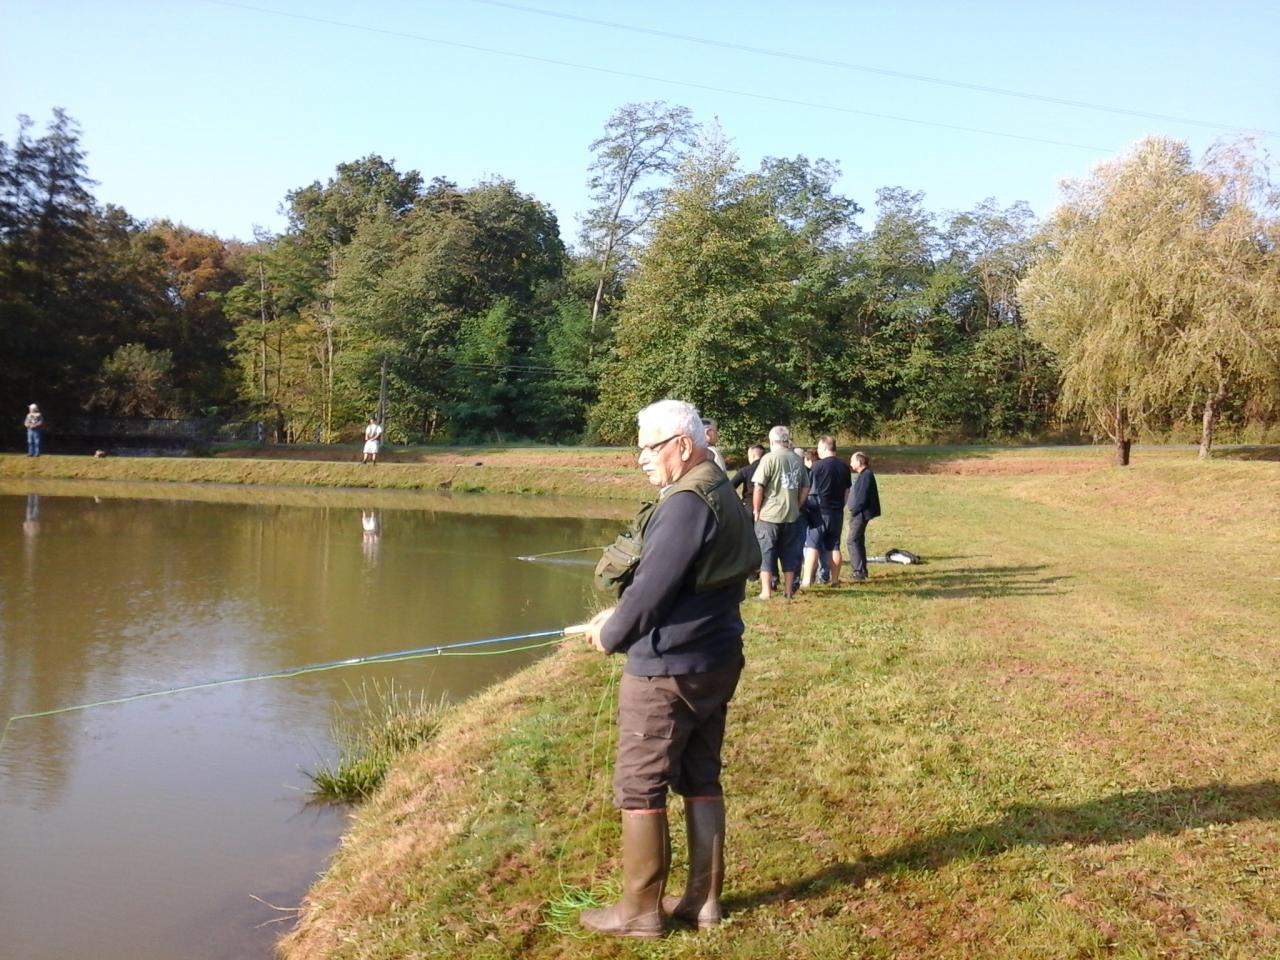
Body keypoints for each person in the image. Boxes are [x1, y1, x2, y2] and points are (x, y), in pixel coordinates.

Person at [583, 399, 760, 938]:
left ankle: (638, 913)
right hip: (715, 658)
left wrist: (610, 632)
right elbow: (684, 581)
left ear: (682, 446)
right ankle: (704, 902)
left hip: (668, 670)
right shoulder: (719, 487)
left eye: (649, 447)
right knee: (701, 775)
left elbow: (652, 589)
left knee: (640, 787)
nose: (640, 457)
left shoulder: (684, 503)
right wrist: (627, 613)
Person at [751, 426, 809, 600]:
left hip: (769, 514)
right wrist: (797, 505)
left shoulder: (769, 458)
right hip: (792, 514)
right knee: (790, 552)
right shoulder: (797, 459)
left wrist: (756, 510)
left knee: (766, 551)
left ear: (771, 441)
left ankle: (766, 592)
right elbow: (806, 486)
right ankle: (789, 590)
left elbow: (758, 486)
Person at [803, 436, 853, 587]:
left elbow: (808, 488)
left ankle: (806, 580)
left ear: (824, 448)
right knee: (834, 546)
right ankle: (835, 579)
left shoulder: (817, 467)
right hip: (836, 512)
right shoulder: (844, 467)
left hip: (819, 511)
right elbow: (847, 490)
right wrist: (841, 506)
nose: (817, 451)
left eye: (819, 448)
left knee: (812, 546)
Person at [847, 451, 881, 582]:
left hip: (860, 513)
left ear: (859, 462)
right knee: (858, 540)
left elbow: (862, 497)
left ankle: (858, 571)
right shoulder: (864, 475)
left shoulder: (866, 475)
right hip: (860, 513)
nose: (850, 463)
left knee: (852, 540)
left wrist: (855, 510)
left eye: (852, 461)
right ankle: (862, 569)